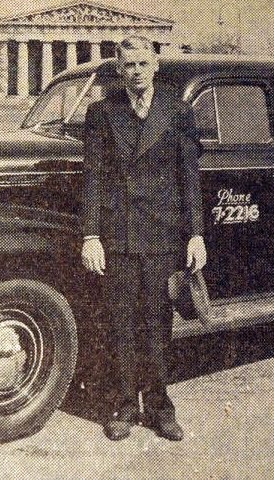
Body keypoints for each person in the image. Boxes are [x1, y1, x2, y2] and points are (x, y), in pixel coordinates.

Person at [81, 35, 207, 441]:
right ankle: (122, 406)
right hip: (117, 236)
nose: (135, 72)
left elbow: (189, 177)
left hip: (161, 234)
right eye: (128, 65)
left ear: (155, 66)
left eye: (142, 64)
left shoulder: (178, 110)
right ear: (119, 69)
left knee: (157, 324)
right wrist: (90, 235)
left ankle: (159, 405)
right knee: (118, 323)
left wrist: (196, 234)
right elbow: (93, 179)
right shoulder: (101, 113)